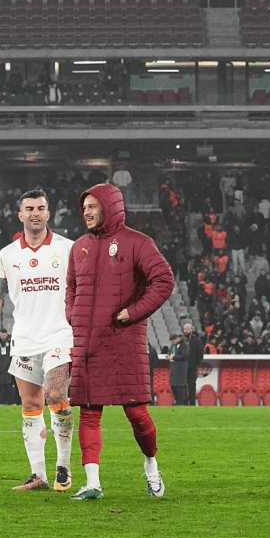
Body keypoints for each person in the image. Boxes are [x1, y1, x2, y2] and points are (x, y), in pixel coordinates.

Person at [66, 183, 175, 499]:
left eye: (92, 206)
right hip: (88, 344)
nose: (86, 212)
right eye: (84, 207)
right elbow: (71, 288)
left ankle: (151, 467)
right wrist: (74, 316)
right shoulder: (79, 247)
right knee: (88, 413)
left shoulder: (138, 242)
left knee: (137, 414)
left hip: (124, 341)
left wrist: (134, 312)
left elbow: (164, 280)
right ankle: (92, 483)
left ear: (109, 207)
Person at [0, 188, 75, 492]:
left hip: (60, 335)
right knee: (30, 405)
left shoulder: (68, 249)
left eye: (40, 208)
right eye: (29, 209)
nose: (35, 213)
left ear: (48, 213)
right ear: (20, 215)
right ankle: (38, 475)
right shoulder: (8, 254)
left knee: (55, 395)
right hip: (26, 339)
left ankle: (63, 465)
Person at [183, 322, 202, 406]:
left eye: (188, 329)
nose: (186, 331)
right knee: (183, 386)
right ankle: (184, 402)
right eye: (185, 329)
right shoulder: (181, 340)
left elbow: (200, 354)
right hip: (182, 368)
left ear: (191, 330)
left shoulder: (196, 341)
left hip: (192, 368)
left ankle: (192, 402)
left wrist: (195, 364)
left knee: (191, 386)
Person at [167, 333, 188, 405]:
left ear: (177, 339)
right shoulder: (173, 345)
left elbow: (184, 356)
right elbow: (171, 353)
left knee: (180, 386)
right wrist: (168, 356)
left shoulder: (184, 345)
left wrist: (173, 357)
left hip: (180, 369)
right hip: (173, 368)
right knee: (173, 386)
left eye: (173, 341)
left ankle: (181, 402)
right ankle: (176, 400)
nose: (172, 342)